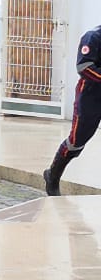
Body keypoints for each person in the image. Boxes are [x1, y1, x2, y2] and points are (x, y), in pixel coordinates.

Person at [43, 23, 101, 196]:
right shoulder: (93, 37)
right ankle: (52, 175)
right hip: (91, 96)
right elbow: (84, 67)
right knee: (77, 141)